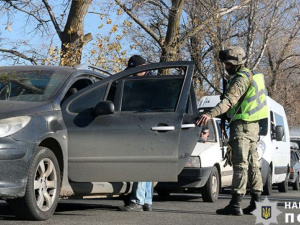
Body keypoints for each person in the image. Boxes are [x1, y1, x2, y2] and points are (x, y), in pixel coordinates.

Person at [196, 46, 268, 216]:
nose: (225, 66)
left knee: (240, 164)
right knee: (253, 164)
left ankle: (235, 204)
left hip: (242, 126)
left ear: (236, 63)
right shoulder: (255, 75)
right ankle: (256, 203)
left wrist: (210, 113)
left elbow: (229, 101)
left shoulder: (240, 79)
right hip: (253, 125)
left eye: (227, 63)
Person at [121, 55, 153, 212]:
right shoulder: (137, 80)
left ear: (144, 67)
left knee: (141, 161)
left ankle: (138, 201)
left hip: (145, 124)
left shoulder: (152, 84)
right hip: (142, 124)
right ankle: (146, 201)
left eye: (136, 70)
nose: (133, 73)